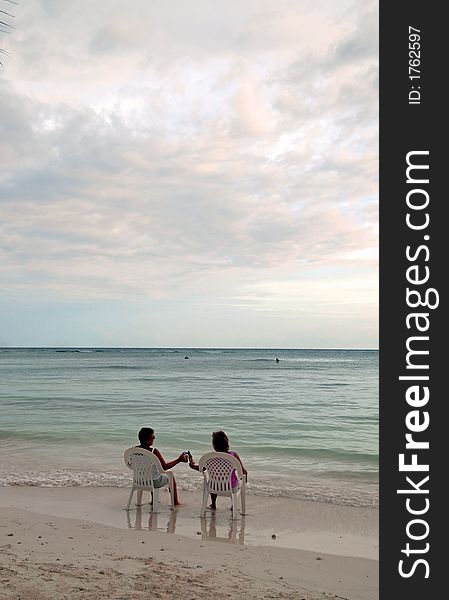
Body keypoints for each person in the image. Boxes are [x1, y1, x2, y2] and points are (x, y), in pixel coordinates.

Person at [189, 430, 247, 510]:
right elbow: (243, 472)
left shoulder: (210, 457)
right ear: (227, 443)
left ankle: (213, 504)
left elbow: (201, 468)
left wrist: (192, 465)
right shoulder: (233, 455)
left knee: (213, 480)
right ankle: (233, 505)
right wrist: (244, 479)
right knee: (233, 481)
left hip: (214, 487)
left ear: (214, 445)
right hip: (231, 487)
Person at [136, 427, 188, 506]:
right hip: (154, 483)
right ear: (149, 438)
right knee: (170, 476)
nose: (154, 438)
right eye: (153, 436)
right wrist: (179, 460)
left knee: (151, 472)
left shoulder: (134, 450)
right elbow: (164, 467)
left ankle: (154, 500)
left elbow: (130, 464)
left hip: (139, 480)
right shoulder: (154, 451)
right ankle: (175, 502)